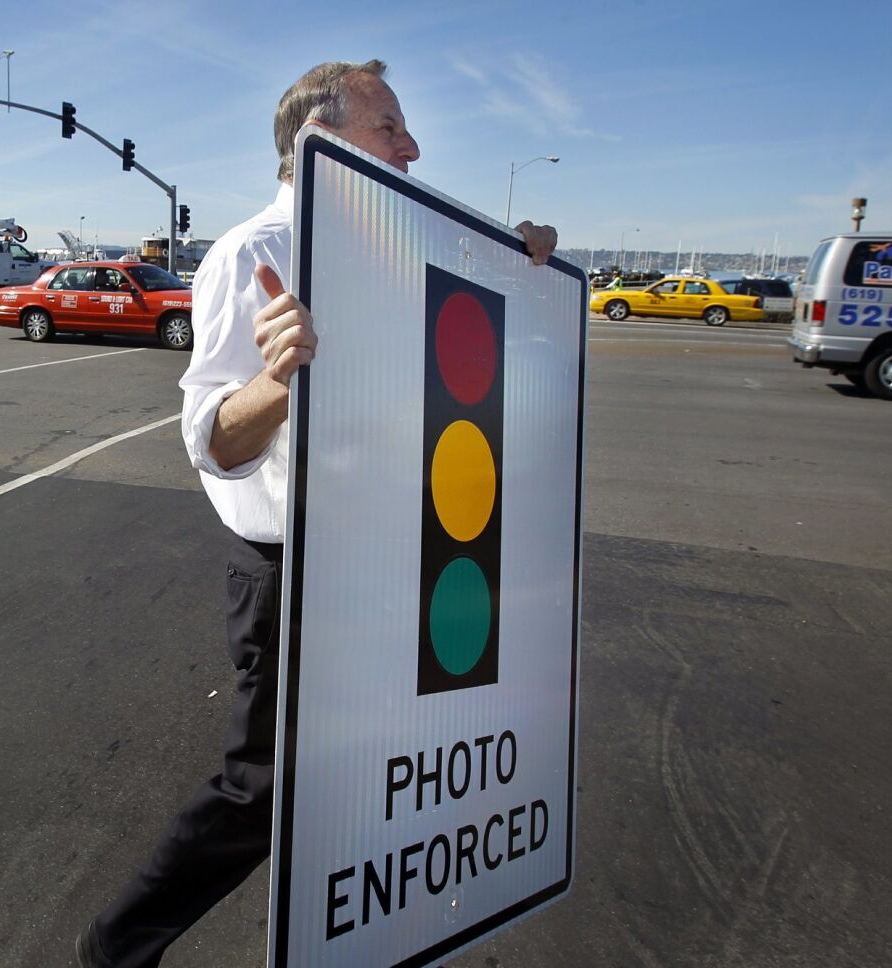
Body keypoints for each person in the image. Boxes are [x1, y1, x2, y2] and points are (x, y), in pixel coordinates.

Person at [75, 59, 557, 968]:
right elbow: (213, 439)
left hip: (392, 556)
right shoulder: (252, 253)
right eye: (390, 128)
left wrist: (527, 258)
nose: (412, 146)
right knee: (264, 790)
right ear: (320, 141)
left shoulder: (389, 243)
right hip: (294, 573)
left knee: (388, 770)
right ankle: (117, 945)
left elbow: (474, 335)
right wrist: (277, 379)